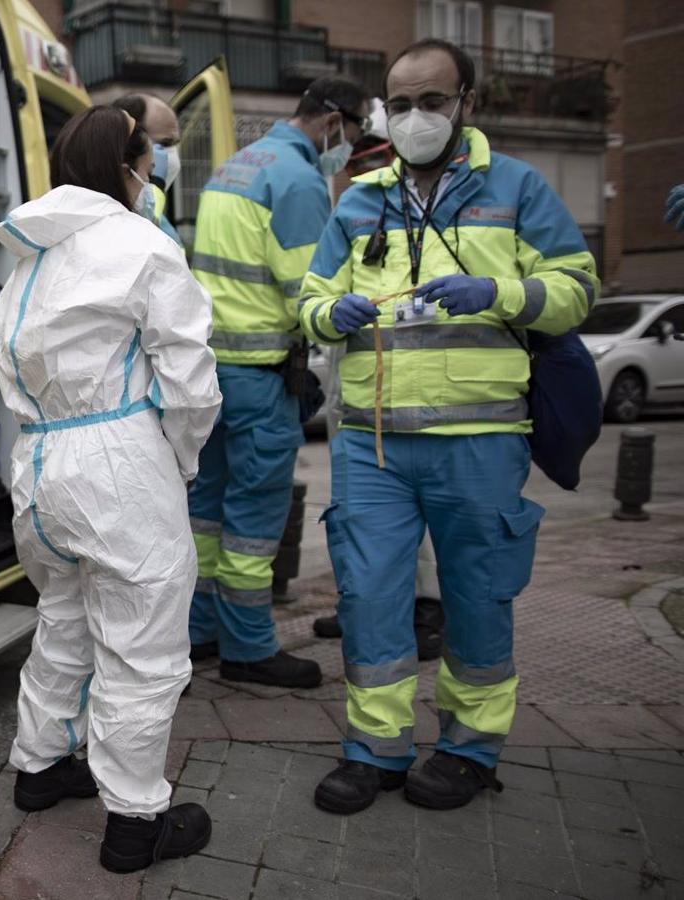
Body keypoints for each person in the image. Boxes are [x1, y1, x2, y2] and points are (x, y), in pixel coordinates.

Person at [299, 39, 598, 815]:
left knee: (477, 598)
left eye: (431, 101)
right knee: (369, 599)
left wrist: (500, 293)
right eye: (400, 104)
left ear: (466, 102)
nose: (415, 117)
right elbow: (309, 300)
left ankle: (468, 750)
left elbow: (577, 286)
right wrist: (330, 313)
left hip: (479, 441)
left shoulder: (518, 187)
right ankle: (375, 750)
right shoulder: (360, 198)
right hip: (373, 444)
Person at [0, 105, 222, 874]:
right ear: (129, 166)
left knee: (63, 619)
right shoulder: (142, 244)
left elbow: (12, 379)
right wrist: (179, 461)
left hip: (40, 465)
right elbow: (190, 381)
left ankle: (40, 767)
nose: (156, 170)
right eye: (151, 157)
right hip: (119, 462)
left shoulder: (28, 261)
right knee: (138, 645)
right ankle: (134, 823)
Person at [186, 76, 369, 688]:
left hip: (209, 372)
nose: (349, 149)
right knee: (254, 518)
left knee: (206, 512)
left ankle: (199, 633)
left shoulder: (232, 168)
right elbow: (309, 293)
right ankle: (248, 647)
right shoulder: (298, 181)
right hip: (262, 375)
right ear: (334, 123)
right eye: (354, 133)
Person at [311, 99, 445, 661]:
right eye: (355, 166)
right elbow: (318, 290)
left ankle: (427, 610)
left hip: (416, 390)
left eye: (368, 163)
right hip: (357, 386)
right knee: (356, 513)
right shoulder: (355, 211)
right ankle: (360, 604)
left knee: (415, 516)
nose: (358, 175)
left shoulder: (430, 216)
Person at [111, 93, 183, 246]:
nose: (172, 153)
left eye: (176, 143)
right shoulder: (112, 216)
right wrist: (155, 187)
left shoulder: (160, 218)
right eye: (165, 144)